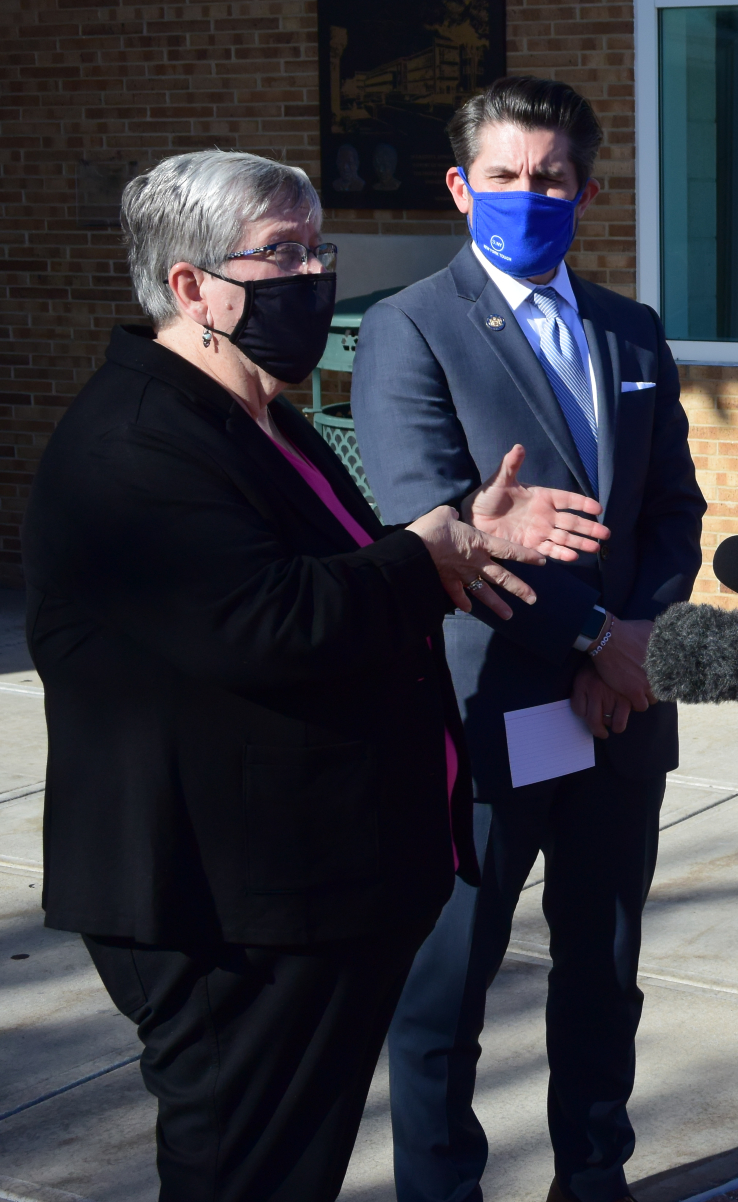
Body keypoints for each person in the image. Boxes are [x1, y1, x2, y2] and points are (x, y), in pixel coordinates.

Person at [21, 149, 601, 1201]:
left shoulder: (258, 416)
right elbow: (268, 620)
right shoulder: (138, 443)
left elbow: (335, 569)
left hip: (310, 887)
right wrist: (428, 556)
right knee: (247, 1175)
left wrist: (456, 534)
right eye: (281, 254)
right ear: (190, 284)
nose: (313, 276)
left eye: (317, 247)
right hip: (223, 910)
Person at [350, 77, 706, 1202]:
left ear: (585, 190)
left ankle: (593, 1172)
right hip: (490, 707)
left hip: (623, 705)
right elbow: (431, 522)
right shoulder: (409, 329)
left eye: (548, 177)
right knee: (449, 980)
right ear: (460, 187)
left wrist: (637, 637)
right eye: (502, 175)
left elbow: (672, 508)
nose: (525, 194)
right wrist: (595, 633)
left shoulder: (630, 328)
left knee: (603, 965)